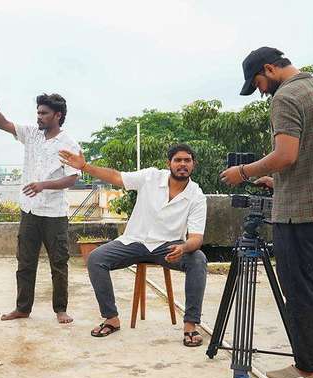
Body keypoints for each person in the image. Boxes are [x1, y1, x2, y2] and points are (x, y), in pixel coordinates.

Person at [221, 47, 313, 378]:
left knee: (300, 288)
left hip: (301, 211)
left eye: (259, 83)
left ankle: (307, 368)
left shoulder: (285, 97)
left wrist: (244, 171)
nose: (262, 91)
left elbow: (286, 155)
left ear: (270, 68)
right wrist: (275, 179)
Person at [59, 144, 208, 344]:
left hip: (168, 246)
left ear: (193, 165)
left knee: (198, 260)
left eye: (187, 160)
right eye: (177, 160)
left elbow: (196, 238)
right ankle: (111, 318)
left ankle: (190, 325)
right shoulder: (151, 177)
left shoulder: (196, 196)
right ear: (169, 163)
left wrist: (183, 247)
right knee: (96, 258)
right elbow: (116, 177)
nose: (182, 164)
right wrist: (84, 166)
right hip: (135, 241)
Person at [0, 93, 81, 324]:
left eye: (44, 113)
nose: (39, 117)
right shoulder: (31, 134)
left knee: (58, 263)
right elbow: (3, 123)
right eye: (38, 112)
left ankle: (60, 310)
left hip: (54, 214)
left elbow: (72, 179)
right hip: (29, 211)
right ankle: (22, 308)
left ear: (58, 115)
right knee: (25, 262)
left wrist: (43, 185)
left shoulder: (69, 144)